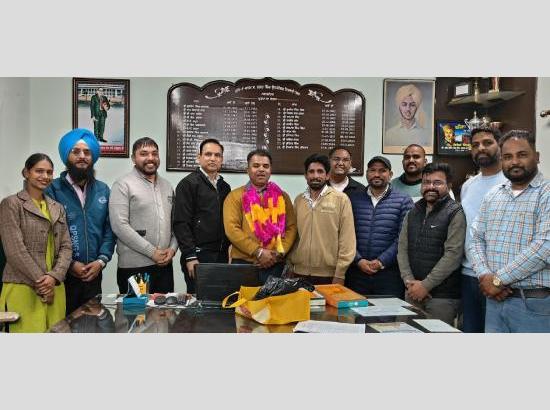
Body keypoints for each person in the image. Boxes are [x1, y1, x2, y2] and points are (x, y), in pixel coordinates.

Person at [470, 130, 550, 332]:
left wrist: (498, 280)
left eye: (522, 155)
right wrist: (485, 275)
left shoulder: (546, 193)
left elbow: (545, 247)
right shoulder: (493, 195)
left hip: (533, 305)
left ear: (537, 156)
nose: (514, 162)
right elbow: (476, 238)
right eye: (507, 156)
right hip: (494, 301)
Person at [45, 128, 115, 314]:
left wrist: (101, 261)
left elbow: (110, 229)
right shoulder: (52, 190)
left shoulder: (103, 190)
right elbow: (49, 234)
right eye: (75, 151)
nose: (82, 156)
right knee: (64, 324)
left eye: (87, 152)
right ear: (66, 156)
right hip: (61, 275)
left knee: (93, 323)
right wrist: (69, 264)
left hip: (94, 272)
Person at [0, 153, 72, 332]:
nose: (45, 176)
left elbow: (66, 247)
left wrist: (53, 277)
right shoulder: (11, 204)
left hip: (55, 287)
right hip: (23, 286)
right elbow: (15, 251)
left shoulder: (57, 207)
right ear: (26, 173)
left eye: (49, 172)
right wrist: (43, 284)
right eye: (39, 171)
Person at [398, 162, 465, 325]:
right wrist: (409, 282)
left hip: (442, 298)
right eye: (426, 182)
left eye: (437, 183)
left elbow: (453, 255)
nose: (430, 187)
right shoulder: (413, 211)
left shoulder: (455, 212)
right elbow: (402, 249)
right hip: (411, 292)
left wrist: (425, 286)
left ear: (449, 185)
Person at [109, 137, 178, 294]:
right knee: (136, 310)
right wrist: (152, 252)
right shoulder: (123, 184)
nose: (150, 158)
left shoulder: (167, 186)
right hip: (134, 268)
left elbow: (176, 224)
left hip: (165, 267)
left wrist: (173, 249)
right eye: (144, 153)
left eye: (154, 153)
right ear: (133, 158)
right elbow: (119, 226)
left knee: (165, 309)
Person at [223, 149, 297, 284]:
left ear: (270, 170)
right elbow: (232, 229)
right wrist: (258, 252)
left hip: (275, 263)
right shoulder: (235, 196)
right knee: (243, 298)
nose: (261, 169)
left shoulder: (283, 197)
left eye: (266, 166)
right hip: (244, 264)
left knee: (274, 298)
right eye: (256, 166)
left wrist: (278, 253)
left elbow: (291, 227)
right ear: (247, 170)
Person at [460, 127, 506, 333]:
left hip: (500, 279)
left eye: (487, 143)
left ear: (500, 146)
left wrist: (499, 278)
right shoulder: (468, 186)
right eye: (475, 145)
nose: (481, 148)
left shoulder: (512, 182)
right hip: (469, 274)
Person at [346, 156, 413, 298]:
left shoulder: (403, 200)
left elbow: (404, 237)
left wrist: (382, 261)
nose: (377, 174)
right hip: (356, 274)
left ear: (390, 174)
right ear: (367, 173)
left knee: (388, 312)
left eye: (382, 170)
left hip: (389, 275)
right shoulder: (352, 199)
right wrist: (358, 260)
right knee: (355, 311)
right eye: (372, 170)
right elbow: (345, 235)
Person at [173, 138, 231, 294]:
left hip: (221, 256)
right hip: (198, 256)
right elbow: (181, 223)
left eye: (217, 155)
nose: (213, 158)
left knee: (220, 301)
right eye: (208, 154)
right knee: (199, 302)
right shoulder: (188, 184)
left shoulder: (225, 187)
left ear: (222, 160)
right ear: (199, 157)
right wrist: (190, 256)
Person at [288, 154, 355, 285]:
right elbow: (293, 235)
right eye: (311, 171)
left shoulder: (341, 200)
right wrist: (290, 265)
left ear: (327, 175)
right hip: (299, 272)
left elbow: (347, 240)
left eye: (320, 171)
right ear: (305, 175)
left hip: (329, 275)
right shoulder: (299, 200)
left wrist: (340, 274)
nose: (315, 176)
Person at [385, 83, 431, 148]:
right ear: (399, 106)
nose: (408, 109)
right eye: (404, 104)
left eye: (412, 105)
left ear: (417, 107)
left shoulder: (426, 135)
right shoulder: (389, 134)